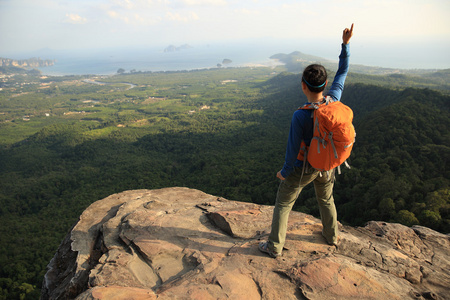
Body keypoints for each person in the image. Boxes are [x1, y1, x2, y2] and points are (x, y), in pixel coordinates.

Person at [259, 24, 354, 258]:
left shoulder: (300, 115)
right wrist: (346, 45)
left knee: (283, 204)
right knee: (326, 198)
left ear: (303, 86)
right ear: (324, 85)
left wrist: (284, 171)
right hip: (327, 164)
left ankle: (274, 247)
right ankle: (332, 236)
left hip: (303, 168)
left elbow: (292, 151)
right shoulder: (333, 100)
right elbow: (342, 73)